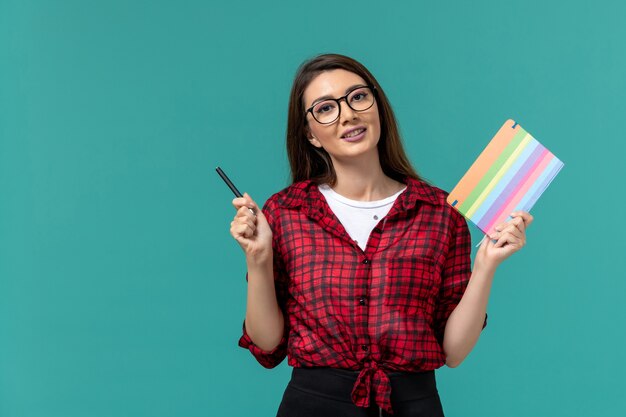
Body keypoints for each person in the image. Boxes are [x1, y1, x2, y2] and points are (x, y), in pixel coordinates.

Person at [229, 53, 533, 417]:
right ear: (311, 134)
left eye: (357, 97)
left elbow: (453, 352)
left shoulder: (439, 211)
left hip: (413, 406)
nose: (347, 114)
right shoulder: (285, 212)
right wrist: (258, 259)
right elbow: (267, 342)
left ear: (377, 106)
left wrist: (485, 266)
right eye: (326, 108)